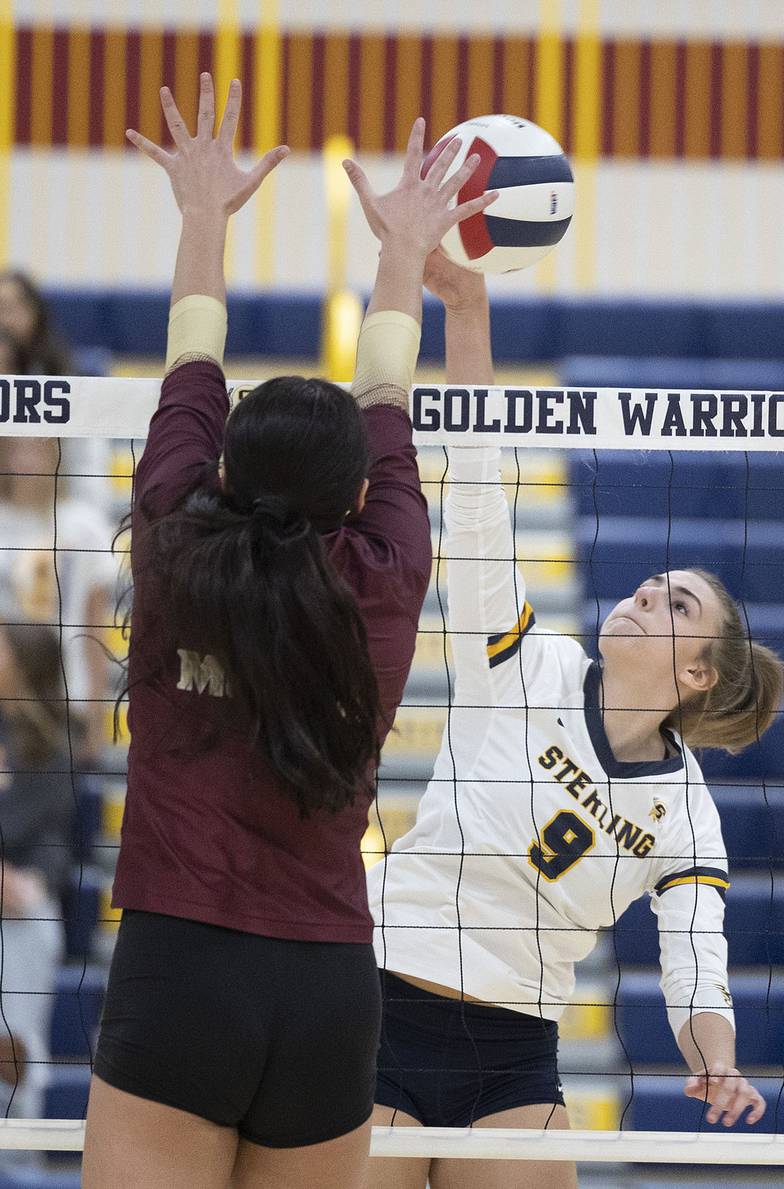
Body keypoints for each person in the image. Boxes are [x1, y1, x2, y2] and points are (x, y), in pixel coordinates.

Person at [81, 73, 497, 1189]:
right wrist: (404, 252)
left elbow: (187, 370)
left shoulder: (173, 552)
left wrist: (203, 216)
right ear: (358, 495)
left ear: (218, 471)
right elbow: (386, 396)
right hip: (326, 986)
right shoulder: (386, 570)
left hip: (180, 962)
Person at [366, 250, 784, 1189]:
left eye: (677, 604)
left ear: (697, 671)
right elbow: (473, 499)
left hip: (515, 1047)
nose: (646, 591)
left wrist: (712, 1053)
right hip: (380, 1003)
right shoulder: (522, 658)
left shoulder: (687, 816)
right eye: (653, 582)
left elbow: (696, 964)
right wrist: (466, 313)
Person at [0, 621, 73, 1157]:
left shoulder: (53, 739)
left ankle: (17, 1137)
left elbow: (42, 837)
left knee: (30, 911)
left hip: (22, 903)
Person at [0, 434, 116, 766]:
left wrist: (96, 715)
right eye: (18, 448)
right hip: (7, 697)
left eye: (37, 448)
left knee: (50, 808)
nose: (27, 459)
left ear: (55, 453)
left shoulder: (84, 525)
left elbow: (96, 628)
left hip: (66, 699)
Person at [0, 270, 73, 376]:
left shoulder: (54, 360)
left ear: (36, 311)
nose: (8, 319)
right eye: (2, 308)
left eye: (15, 307)